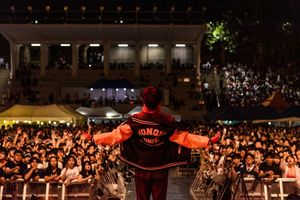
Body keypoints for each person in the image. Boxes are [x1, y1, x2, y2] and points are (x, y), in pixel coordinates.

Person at [85, 86, 220, 200]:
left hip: (141, 168)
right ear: (159, 102)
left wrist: (94, 138)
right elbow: (186, 138)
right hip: (160, 169)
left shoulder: (135, 121)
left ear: (143, 101)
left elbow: (115, 136)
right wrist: (207, 141)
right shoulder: (167, 122)